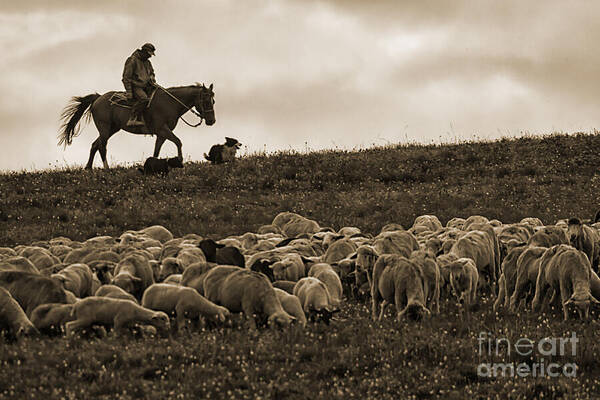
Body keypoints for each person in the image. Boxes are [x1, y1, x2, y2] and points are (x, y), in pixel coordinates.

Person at [122, 42, 157, 127]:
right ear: (144, 51)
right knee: (144, 99)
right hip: (135, 86)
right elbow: (126, 78)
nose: (150, 56)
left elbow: (152, 73)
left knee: (158, 96)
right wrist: (129, 92)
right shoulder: (132, 60)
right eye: (149, 54)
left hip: (146, 86)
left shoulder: (147, 62)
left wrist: (152, 79)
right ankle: (132, 119)